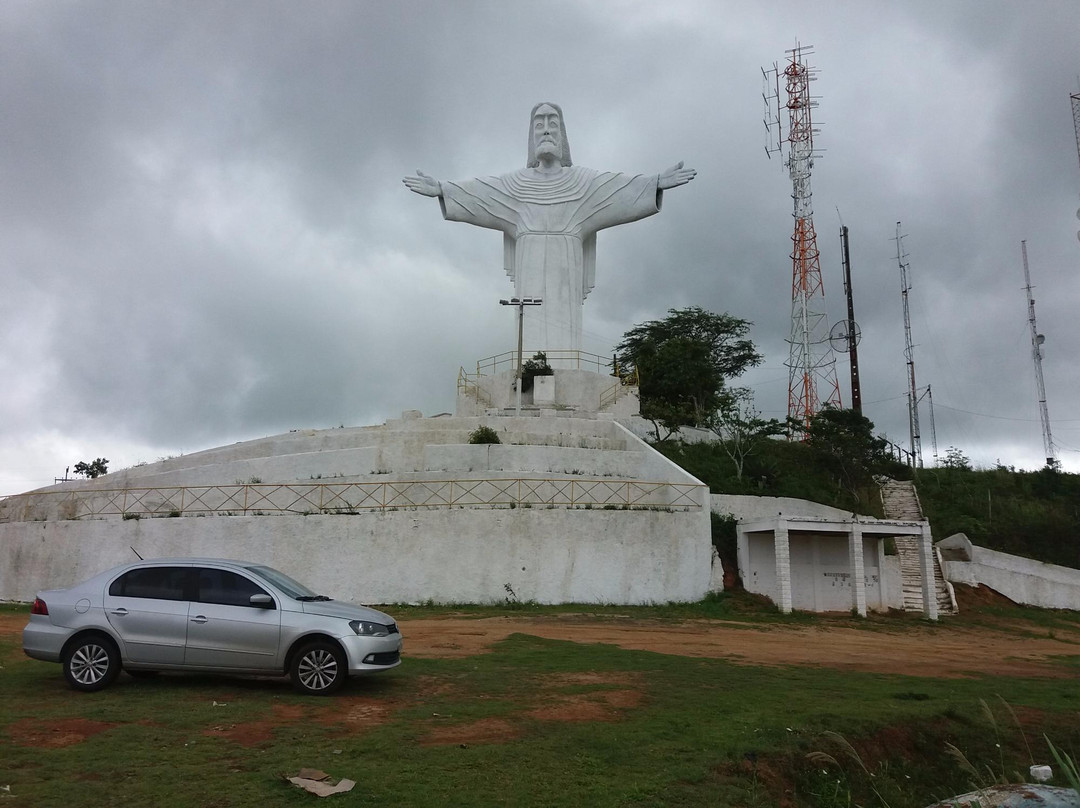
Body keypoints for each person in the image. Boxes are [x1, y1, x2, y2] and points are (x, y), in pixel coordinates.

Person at [404, 102, 696, 353]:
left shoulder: (583, 183)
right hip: (529, 255)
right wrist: (443, 189)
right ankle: (528, 370)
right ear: (531, 137)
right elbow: (481, 192)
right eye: (539, 124)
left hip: (566, 260)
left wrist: (654, 183)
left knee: (563, 333)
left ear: (562, 135)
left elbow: (619, 190)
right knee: (528, 327)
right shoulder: (515, 185)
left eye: (552, 123)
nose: (545, 129)